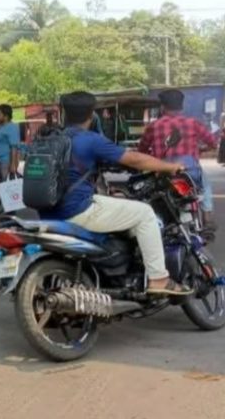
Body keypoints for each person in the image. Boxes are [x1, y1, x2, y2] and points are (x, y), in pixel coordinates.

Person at [33, 90, 190, 297]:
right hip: (77, 211)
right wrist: (170, 167)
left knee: (113, 200)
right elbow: (134, 159)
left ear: (64, 113)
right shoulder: (91, 140)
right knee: (144, 213)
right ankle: (159, 279)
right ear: (92, 115)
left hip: (48, 212)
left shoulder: (51, 138)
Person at [138, 88, 218, 237]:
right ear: (182, 106)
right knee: (205, 185)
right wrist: (201, 149)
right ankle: (207, 218)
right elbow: (213, 143)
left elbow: (141, 149)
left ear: (162, 107)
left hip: (163, 173)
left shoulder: (154, 126)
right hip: (190, 172)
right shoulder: (193, 123)